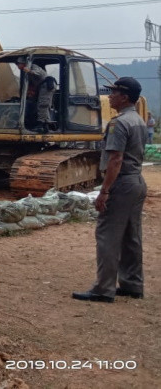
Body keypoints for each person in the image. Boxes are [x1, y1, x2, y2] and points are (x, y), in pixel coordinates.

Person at [72, 77, 147, 303]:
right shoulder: (139, 120)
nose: (109, 96)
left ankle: (103, 288)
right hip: (136, 182)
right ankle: (133, 284)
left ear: (124, 97)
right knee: (131, 236)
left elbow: (115, 159)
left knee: (107, 236)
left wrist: (104, 191)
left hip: (121, 183)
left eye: (113, 93)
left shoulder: (119, 123)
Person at [15, 56, 55, 133]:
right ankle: (46, 124)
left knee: (43, 104)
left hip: (46, 85)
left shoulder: (33, 66)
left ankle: (41, 125)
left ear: (23, 63)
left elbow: (38, 72)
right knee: (39, 104)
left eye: (18, 64)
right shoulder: (26, 72)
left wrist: (30, 71)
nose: (17, 66)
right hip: (42, 87)